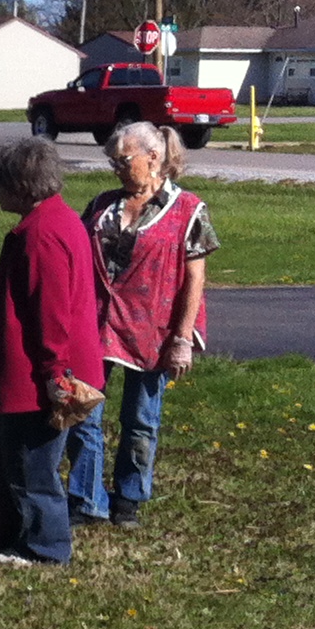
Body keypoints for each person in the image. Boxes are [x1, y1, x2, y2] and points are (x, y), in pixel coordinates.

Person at [65, 121, 214, 528]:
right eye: (112, 160)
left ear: (154, 157)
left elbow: (195, 278)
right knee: (83, 411)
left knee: (141, 419)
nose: (116, 167)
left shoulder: (189, 210)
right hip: (96, 325)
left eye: (124, 159)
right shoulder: (102, 205)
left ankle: (128, 498)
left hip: (153, 332)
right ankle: (87, 498)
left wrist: (182, 339)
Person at [0, 139, 105, 566]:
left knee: (32, 466)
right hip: (40, 370)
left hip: (39, 375)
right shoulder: (57, 221)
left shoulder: (41, 234)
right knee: (8, 459)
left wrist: (55, 373)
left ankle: (46, 547)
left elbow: (51, 312)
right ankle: (12, 536)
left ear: (20, 184)